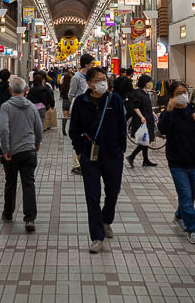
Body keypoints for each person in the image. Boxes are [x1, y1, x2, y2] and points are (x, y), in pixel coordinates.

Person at [69, 67, 127, 254]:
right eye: (98, 79)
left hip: (113, 156)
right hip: (90, 157)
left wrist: (122, 149)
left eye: (105, 79)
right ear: (89, 83)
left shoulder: (114, 100)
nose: (103, 82)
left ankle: (106, 220)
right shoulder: (80, 102)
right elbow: (74, 129)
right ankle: (96, 236)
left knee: (113, 193)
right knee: (92, 197)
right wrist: (79, 151)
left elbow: (122, 125)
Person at [158, 81, 195, 245]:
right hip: (177, 162)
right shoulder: (169, 113)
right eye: (178, 93)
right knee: (186, 196)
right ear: (172, 97)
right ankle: (192, 230)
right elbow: (162, 129)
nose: (183, 95)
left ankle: (179, 215)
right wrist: (168, 110)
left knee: (192, 195)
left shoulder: (194, 109)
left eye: (184, 92)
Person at [0, 76, 43, 232]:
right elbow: (39, 128)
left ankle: (8, 213)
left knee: (10, 183)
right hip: (29, 150)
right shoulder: (32, 107)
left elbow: (4, 129)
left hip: (12, 152)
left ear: (10, 90)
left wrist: (5, 149)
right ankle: (29, 218)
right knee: (29, 183)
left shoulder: (6, 107)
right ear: (26, 90)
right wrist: (36, 144)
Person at [67, 54, 95, 175]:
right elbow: (71, 94)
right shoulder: (77, 77)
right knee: (78, 136)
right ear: (86, 64)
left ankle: (88, 160)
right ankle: (76, 164)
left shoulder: (91, 76)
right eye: (92, 63)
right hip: (79, 111)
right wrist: (76, 105)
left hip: (90, 110)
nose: (93, 65)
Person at [126, 74, 157, 168]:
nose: (150, 84)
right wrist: (141, 117)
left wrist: (154, 114)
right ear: (144, 83)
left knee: (145, 140)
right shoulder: (139, 93)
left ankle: (145, 160)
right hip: (143, 120)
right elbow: (135, 107)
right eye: (149, 82)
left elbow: (148, 106)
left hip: (147, 118)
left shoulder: (145, 92)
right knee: (145, 141)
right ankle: (132, 157)